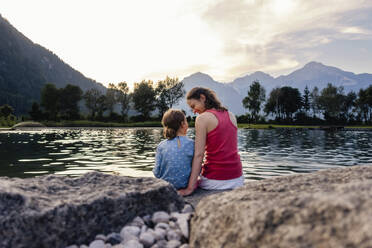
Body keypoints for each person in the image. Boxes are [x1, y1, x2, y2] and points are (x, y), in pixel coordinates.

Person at [178, 87, 244, 196]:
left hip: (215, 180)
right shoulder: (231, 115)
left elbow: (199, 155)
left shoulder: (202, 119)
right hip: (237, 178)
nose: (194, 111)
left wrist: (190, 188)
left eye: (193, 106)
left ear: (202, 98)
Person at [153, 109, 194, 189]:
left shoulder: (161, 146)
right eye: (186, 121)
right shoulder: (192, 144)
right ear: (183, 124)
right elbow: (197, 169)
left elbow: (156, 172)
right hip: (185, 185)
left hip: (165, 187)